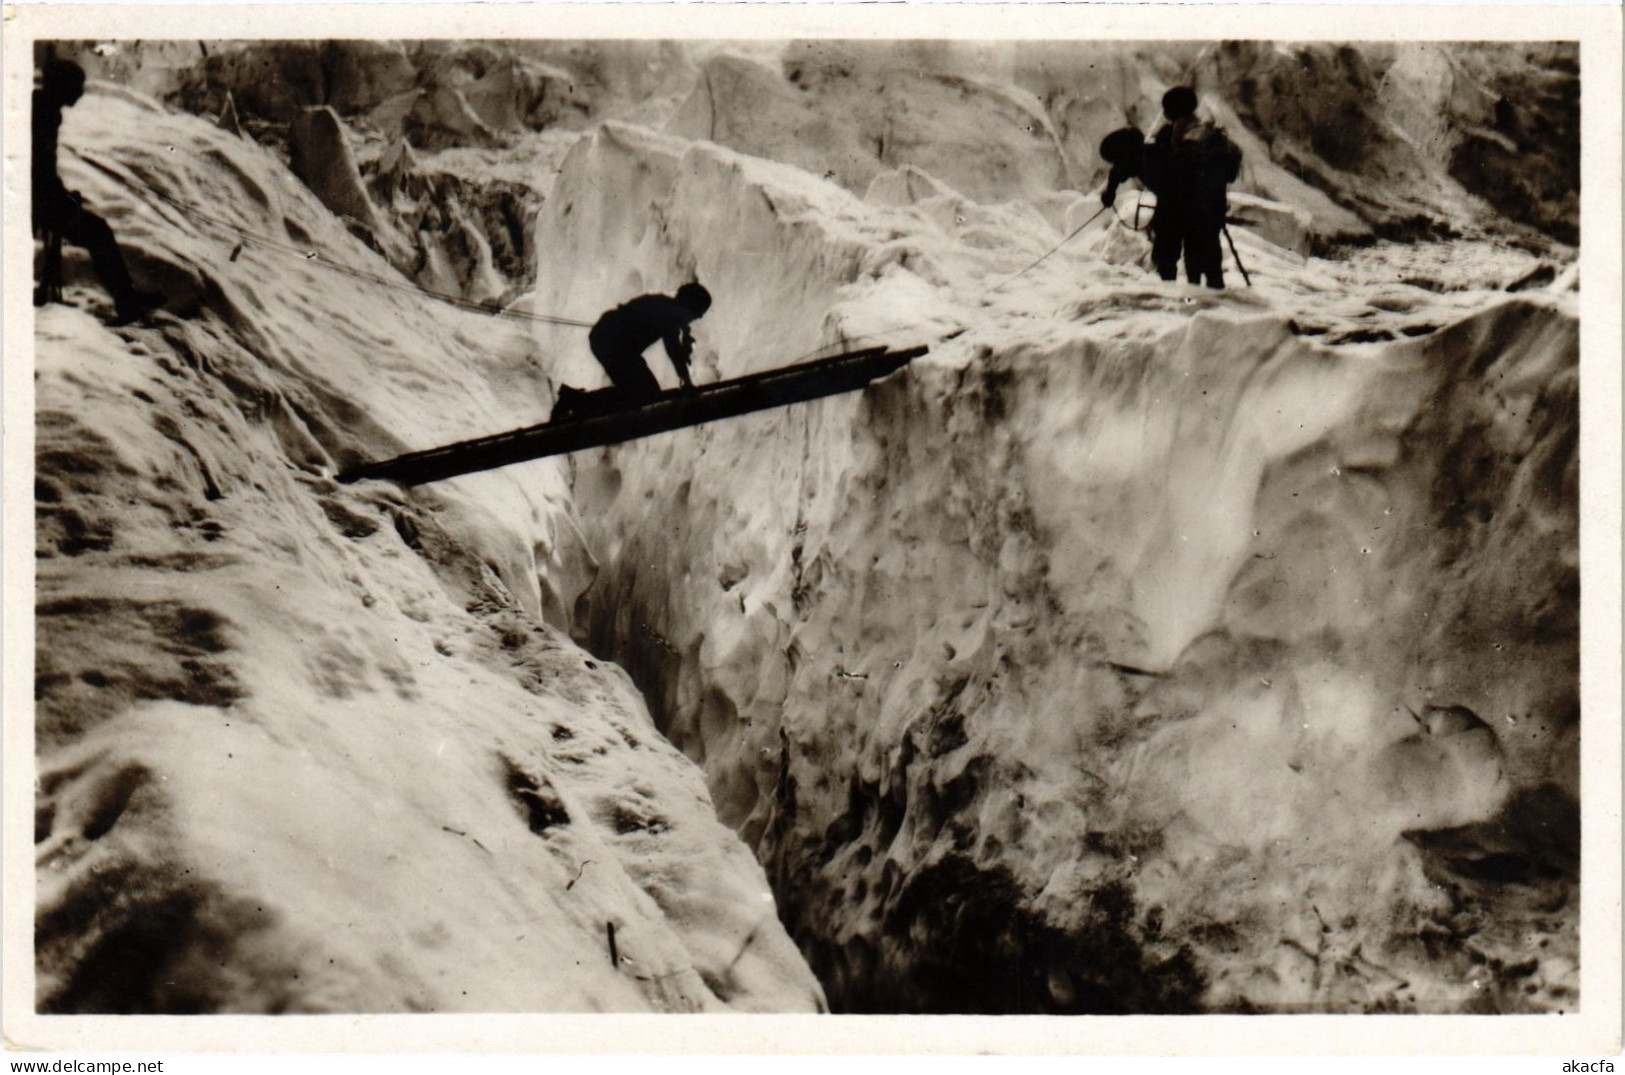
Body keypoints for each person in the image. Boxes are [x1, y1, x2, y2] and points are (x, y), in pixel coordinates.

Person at [33, 60, 164, 323]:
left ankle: (127, 300)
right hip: (31, 202)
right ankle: (127, 302)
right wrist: (65, 199)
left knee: (95, 229)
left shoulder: (43, 109)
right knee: (97, 231)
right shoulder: (43, 114)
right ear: (62, 87)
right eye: (76, 87)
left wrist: (64, 197)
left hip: (35, 199)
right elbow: (38, 173)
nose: (80, 93)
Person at [1099, 87, 1242, 290]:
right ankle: (1212, 299)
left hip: (1175, 207)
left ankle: (1173, 297)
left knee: (1167, 257)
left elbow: (1125, 167)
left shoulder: (1168, 136)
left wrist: (1110, 192)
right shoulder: (1207, 135)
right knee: (1206, 259)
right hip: (1208, 207)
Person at [555, 283, 712, 419]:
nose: (696, 318)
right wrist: (687, 381)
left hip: (609, 340)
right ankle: (576, 401)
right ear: (688, 306)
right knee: (646, 395)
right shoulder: (669, 313)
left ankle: (577, 401)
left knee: (640, 393)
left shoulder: (666, 306)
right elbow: (673, 348)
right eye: (697, 314)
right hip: (614, 343)